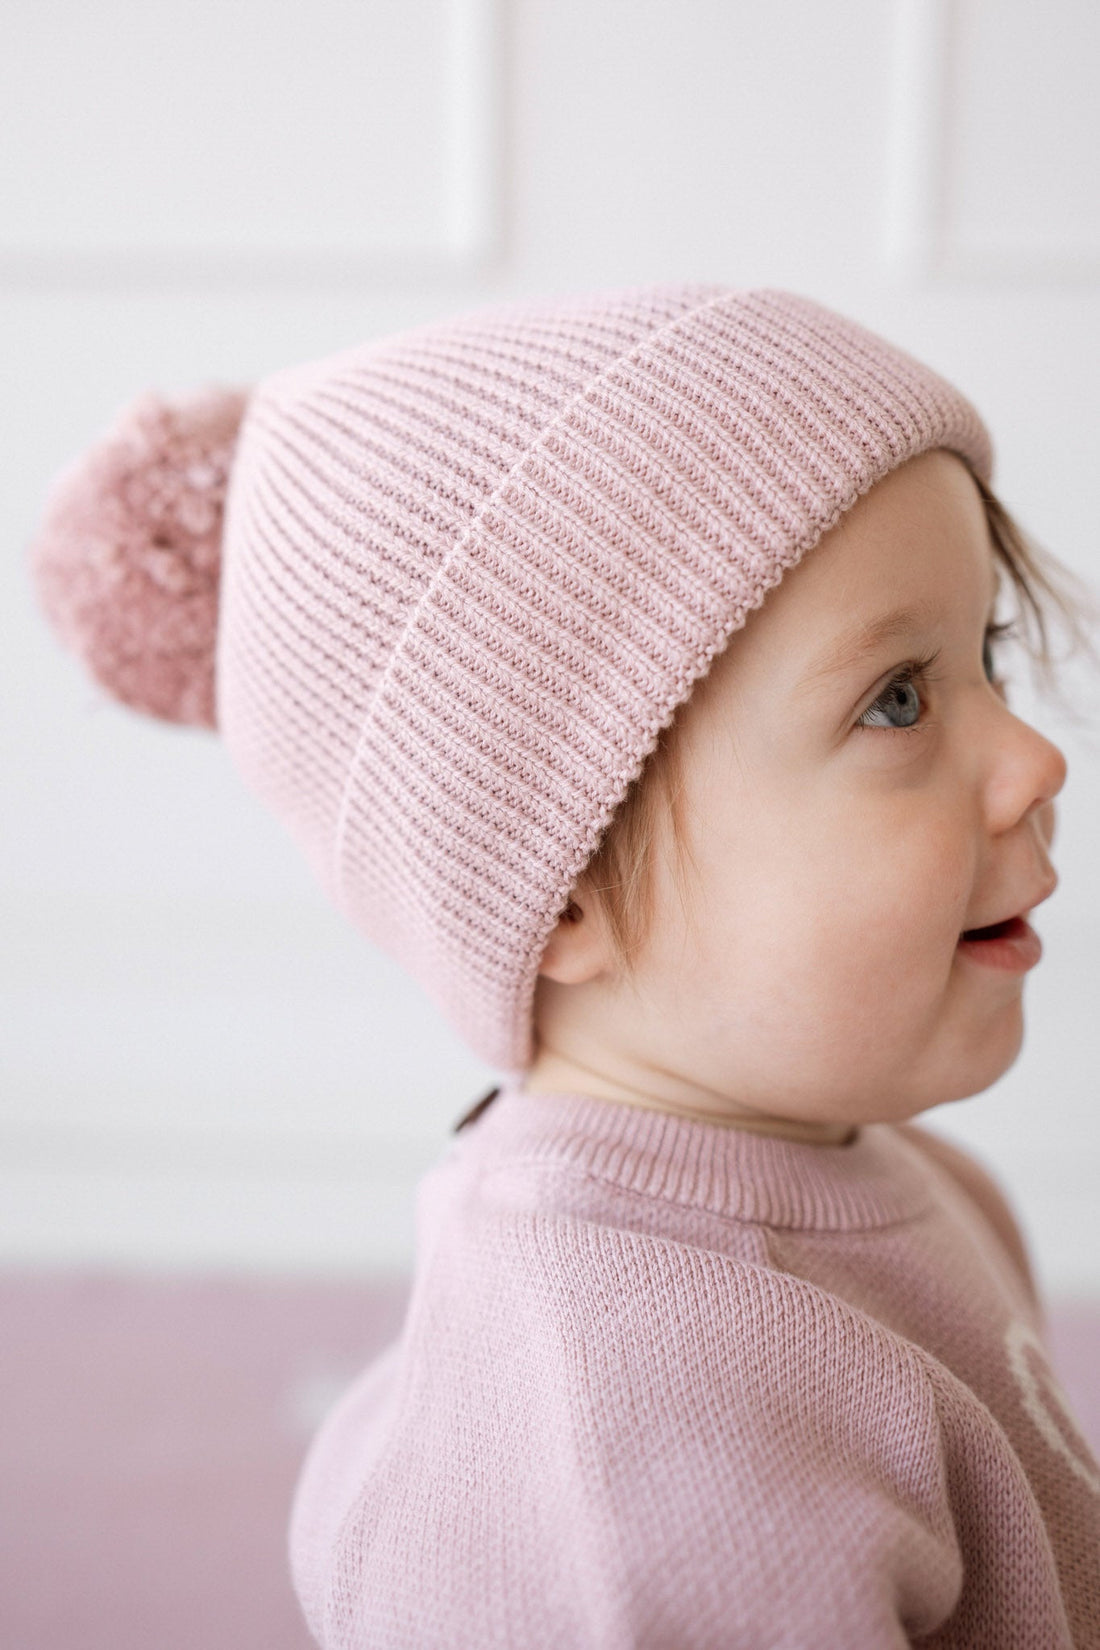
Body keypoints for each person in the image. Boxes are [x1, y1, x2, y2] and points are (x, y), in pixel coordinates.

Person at [29, 284, 1100, 1646]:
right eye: (896, 697)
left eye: (989, 655)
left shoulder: (898, 1171)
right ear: (566, 886)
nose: (1034, 758)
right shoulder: (637, 1466)